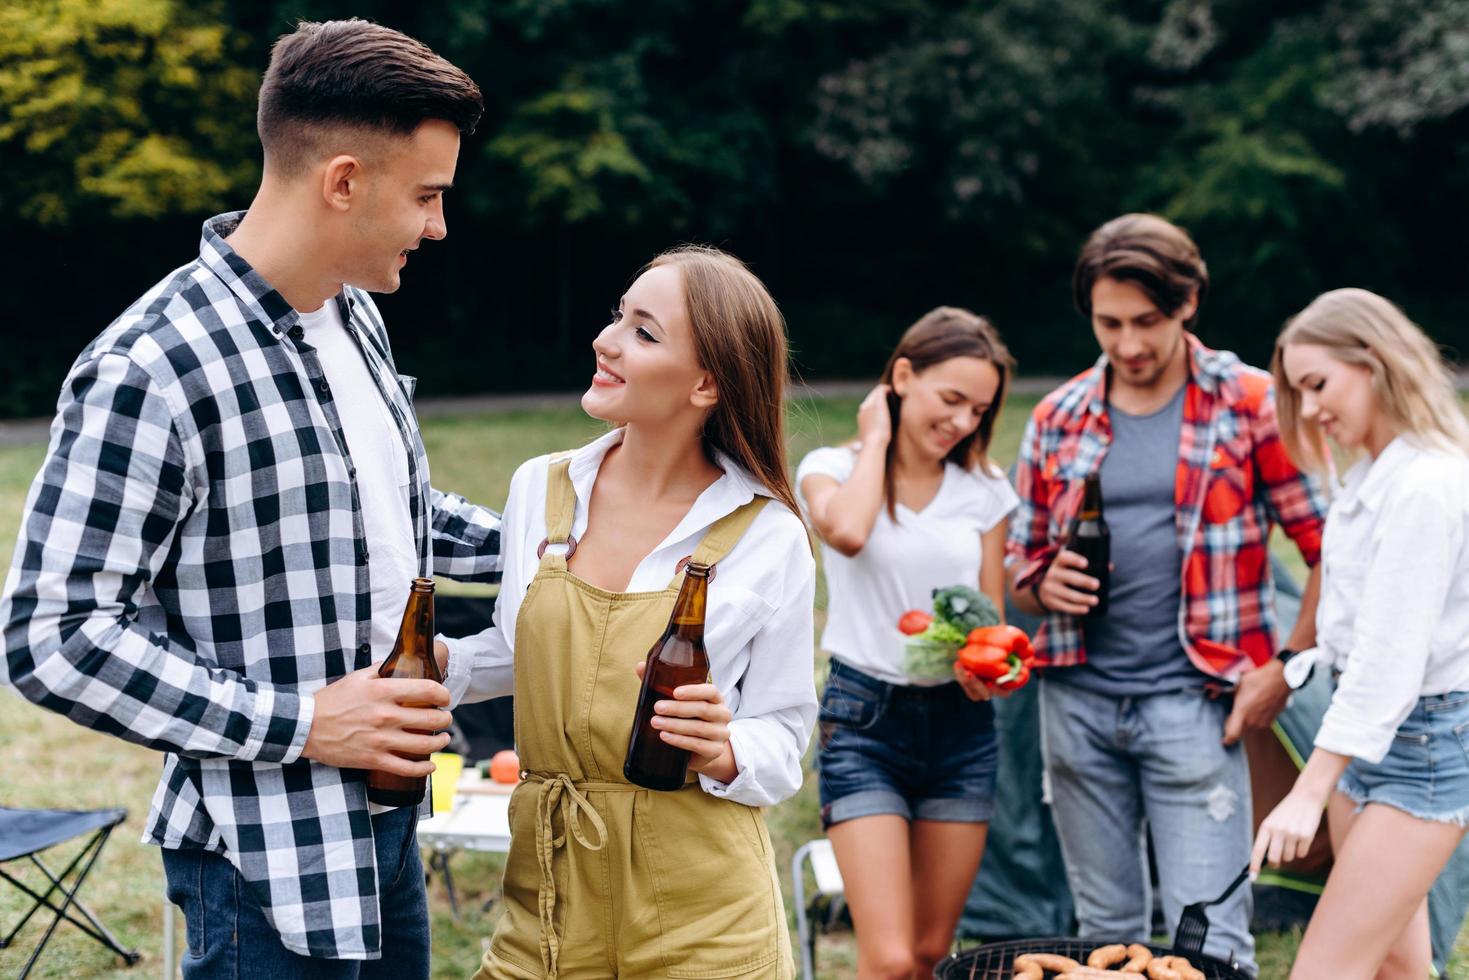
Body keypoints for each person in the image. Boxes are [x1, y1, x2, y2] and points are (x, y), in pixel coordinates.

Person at [0, 20, 501, 977]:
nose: (438, 226)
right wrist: (305, 723)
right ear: (343, 180)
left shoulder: (354, 312)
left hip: (389, 831)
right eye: (427, 196)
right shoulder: (151, 367)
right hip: (261, 862)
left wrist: (577, 536)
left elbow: (392, 518)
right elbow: (51, 635)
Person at [439, 246, 817, 979]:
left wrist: (721, 747)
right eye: (619, 316)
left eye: (643, 333)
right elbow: (527, 657)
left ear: (706, 382)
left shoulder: (765, 534)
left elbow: (782, 733)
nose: (605, 340)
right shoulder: (540, 490)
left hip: (700, 919)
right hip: (545, 904)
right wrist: (439, 665)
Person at [1007, 214, 1329, 975]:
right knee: (1102, 940)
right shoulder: (1057, 416)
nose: (1126, 344)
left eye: (1145, 322)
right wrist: (1039, 583)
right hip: (1077, 706)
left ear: (1187, 303)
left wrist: (1286, 666)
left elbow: (1330, 550)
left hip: (1197, 706)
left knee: (1207, 939)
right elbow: (1017, 568)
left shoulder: (1248, 402)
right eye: (1107, 322)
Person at [1251, 288, 1469, 979]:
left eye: (1317, 383)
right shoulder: (1372, 477)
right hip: (1366, 740)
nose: (1309, 408)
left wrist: (1308, 790)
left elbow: (1389, 659)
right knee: (1396, 971)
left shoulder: (1425, 485)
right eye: (1296, 391)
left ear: (1372, 361)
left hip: (1422, 749)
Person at [797, 307, 1018, 979]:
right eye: (950, 399)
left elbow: (993, 624)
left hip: (960, 729)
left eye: (977, 410)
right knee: (889, 958)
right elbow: (848, 533)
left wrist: (993, 669)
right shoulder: (828, 469)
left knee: (928, 954)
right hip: (864, 723)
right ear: (901, 376)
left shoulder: (983, 491)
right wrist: (875, 435)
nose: (961, 422)